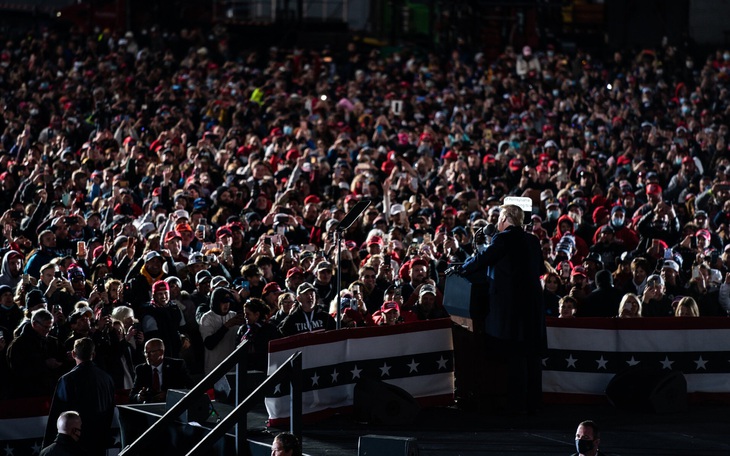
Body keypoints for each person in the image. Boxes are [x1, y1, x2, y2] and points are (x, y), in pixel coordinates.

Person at [454, 204, 546, 414]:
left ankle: (516, 407)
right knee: (531, 356)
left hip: (512, 309)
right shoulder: (532, 240)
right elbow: (539, 268)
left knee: (516, 356)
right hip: (532, 307)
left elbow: (482, 259)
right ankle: (535, 405)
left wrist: (461, 268)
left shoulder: (503, 238)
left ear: (505, 218)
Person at [43, 338, 115, 456]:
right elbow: (110, 410)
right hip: (100, 440)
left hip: (74, 443)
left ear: (73, 354)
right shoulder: (107, 379)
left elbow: (57, 414)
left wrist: (48, 446)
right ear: (93, 354)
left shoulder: (67, 380)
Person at [129, 338, 193, 403]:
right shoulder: (141, 369)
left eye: (151, 352)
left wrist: (169, 395)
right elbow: (132, 396)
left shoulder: (177, 366)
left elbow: (190, 389)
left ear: (161, 352)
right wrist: (139, 397)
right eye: (145, 352)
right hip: (149, 407)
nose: (147, 356)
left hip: (172, 406)